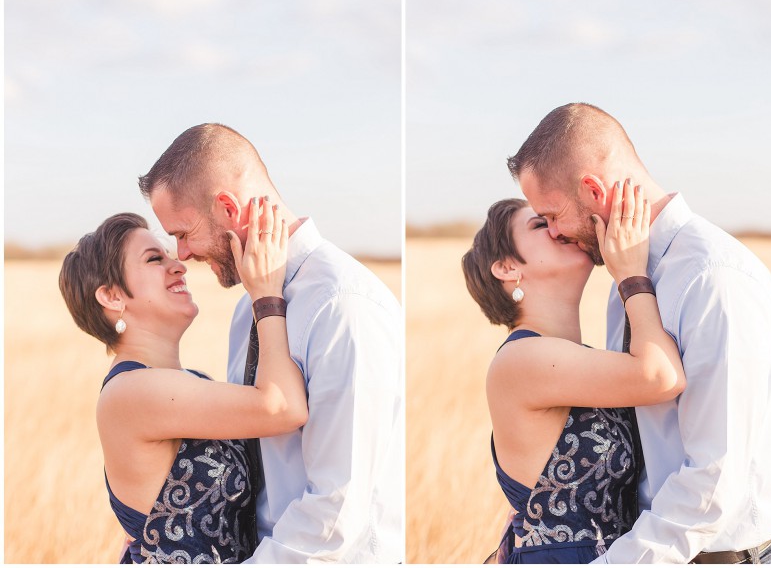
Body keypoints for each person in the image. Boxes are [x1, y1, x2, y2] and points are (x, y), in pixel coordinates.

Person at [507, 102, 771, 564]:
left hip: (729, 557)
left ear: (591, 189)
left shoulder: (713, 277)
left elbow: (713, 479)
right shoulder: (629, 279)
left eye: (552, 215)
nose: (556, 232)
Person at [137, 123, 403, 563]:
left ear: (226, 206)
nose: (181, 254)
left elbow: (337, 511)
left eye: (183, 233)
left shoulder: (344, 304)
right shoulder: (250, 310)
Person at [58, 198, 308, 563]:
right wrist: (266, 294)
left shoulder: (189, 382)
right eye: (154, 259)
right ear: (111, 297)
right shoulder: (131, 391)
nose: (179, 265)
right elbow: (282, 406)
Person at [462, 180, 686, 563]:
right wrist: (631, 273)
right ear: (507, 267)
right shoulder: (521, 361)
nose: (556, 229)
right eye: (539, 225)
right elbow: (660, 376)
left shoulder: (576, 358)